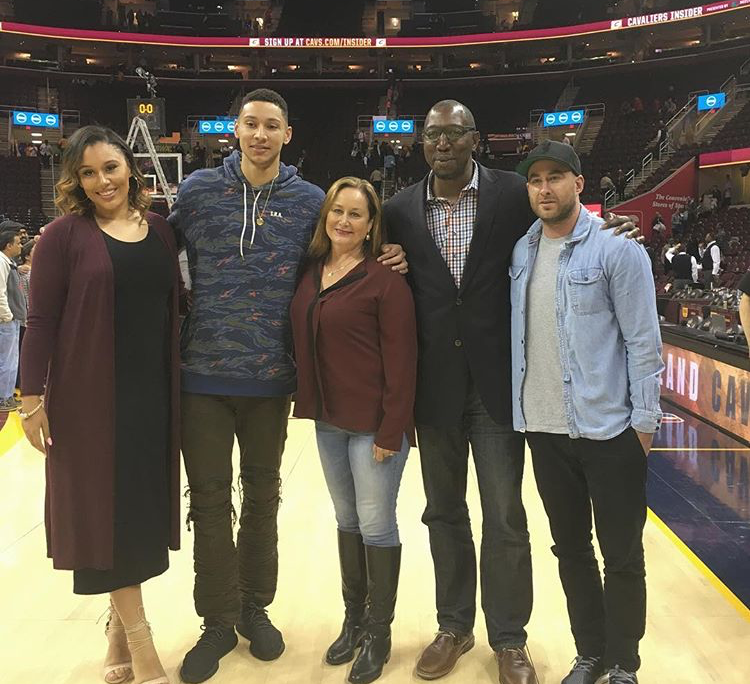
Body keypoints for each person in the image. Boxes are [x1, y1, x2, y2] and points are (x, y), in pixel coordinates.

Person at [382, 103, 636, 684]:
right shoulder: (398, 209)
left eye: (455, 134)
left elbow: (562, 224)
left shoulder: (511, 192)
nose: (443, 144)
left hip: (499, 386)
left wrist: (609, 226)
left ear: (476, 139)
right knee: (443, 513)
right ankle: (454, 626)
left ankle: (509, 638)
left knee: (504, 517)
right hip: (433, 389)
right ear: (422, 143)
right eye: (433, 135)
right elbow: (386, 270)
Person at [169, 88, 406, 684]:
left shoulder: (307, 202)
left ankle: (255, 607)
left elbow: (345, 250)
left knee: (262, 498)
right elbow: (152, 249)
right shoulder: (196, 191)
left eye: (271, 126)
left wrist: (391, 252)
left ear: (287, 134)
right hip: (202, 375)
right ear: (235, 129)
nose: (260, 135)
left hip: (272, 381)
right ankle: (217, 621)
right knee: (209, 502)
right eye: (250, 124)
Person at [19, 125, 182, 684]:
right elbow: (39, 321)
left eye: (109, 167)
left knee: (135, 519)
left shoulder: (161, 231)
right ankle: (141, 642)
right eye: (87, 172)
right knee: (102, 520)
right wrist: (30, 399)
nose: (100, 181)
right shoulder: (62, 237)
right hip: (88, 400)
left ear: (131, 169)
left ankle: (116, 628)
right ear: (75, 180)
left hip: (153, 397)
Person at [511, 140, 663, 684]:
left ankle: (624, 663)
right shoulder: (521, 251)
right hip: (545, 429)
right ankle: (591, 652)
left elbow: (644, 342)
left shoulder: (618, 250)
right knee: (571, 549)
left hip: (608, 429)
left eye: (556, 177)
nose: (544, 188)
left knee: (622, 554)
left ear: (580, 183)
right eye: (535, 179)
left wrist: (644, 425)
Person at [290, 177, 417, 684]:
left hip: (374, 426)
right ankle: (354, 621)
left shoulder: (386, 281)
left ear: (371, 226)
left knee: (376, 522)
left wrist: (392, 430)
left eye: (355, 215)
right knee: (346, 519)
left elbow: (403, 363)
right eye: (336, 211)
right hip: (328, 421)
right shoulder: (311, 271)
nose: (343, 221)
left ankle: (379, 633)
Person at [0, 229, 24, 411]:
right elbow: (0, 292)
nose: (20, 245)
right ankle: (2, 397)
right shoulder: (1, 262)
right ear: (8, 245)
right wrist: (7, 316)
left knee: (12, 359)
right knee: (6, 360)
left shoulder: (9, 262)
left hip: (13, 319)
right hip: (7, 320)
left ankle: (7, 394)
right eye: (18, 243)